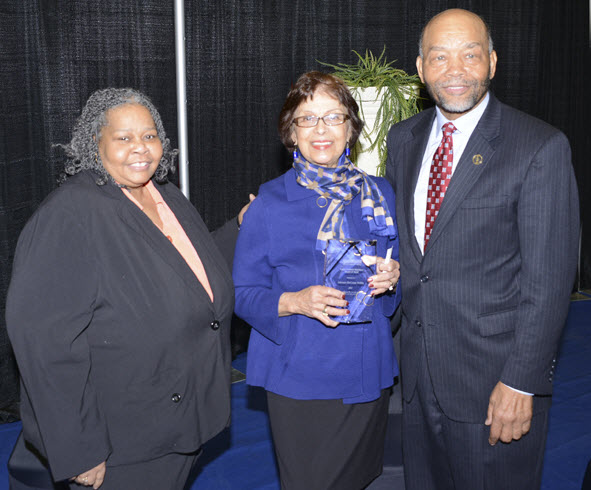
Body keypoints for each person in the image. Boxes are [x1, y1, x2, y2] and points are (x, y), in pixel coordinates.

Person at [6, 88, 241, 489]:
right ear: (93, 143)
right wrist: (80, 449)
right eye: (124, 137)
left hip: (178, 419)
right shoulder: (71, 215)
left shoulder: (163, 194)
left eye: (149, 136)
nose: (141, 149)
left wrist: (241, 227)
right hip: (123, 443)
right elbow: (45, 343)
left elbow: (190, 272)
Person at [385, 8, 579, 490]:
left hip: (494, 385)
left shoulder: (539, 147)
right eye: (440, 57)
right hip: (417, 377)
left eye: (470, 55)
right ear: (420, 66)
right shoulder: (403, 139)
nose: (455, 70)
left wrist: (521, 382)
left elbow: (550, 282)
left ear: (492, 62)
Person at [233, 71, 401, 490]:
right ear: (291, 132)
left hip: (367, 370)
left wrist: (393, 279)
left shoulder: (380, 194)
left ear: (351, 127)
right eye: (307, 119)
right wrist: (295, 301)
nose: (321, 130)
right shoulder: (269, 203)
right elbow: (240, 294)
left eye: (333, 117)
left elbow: (395, 293)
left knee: (358, 479)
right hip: (300, 376)